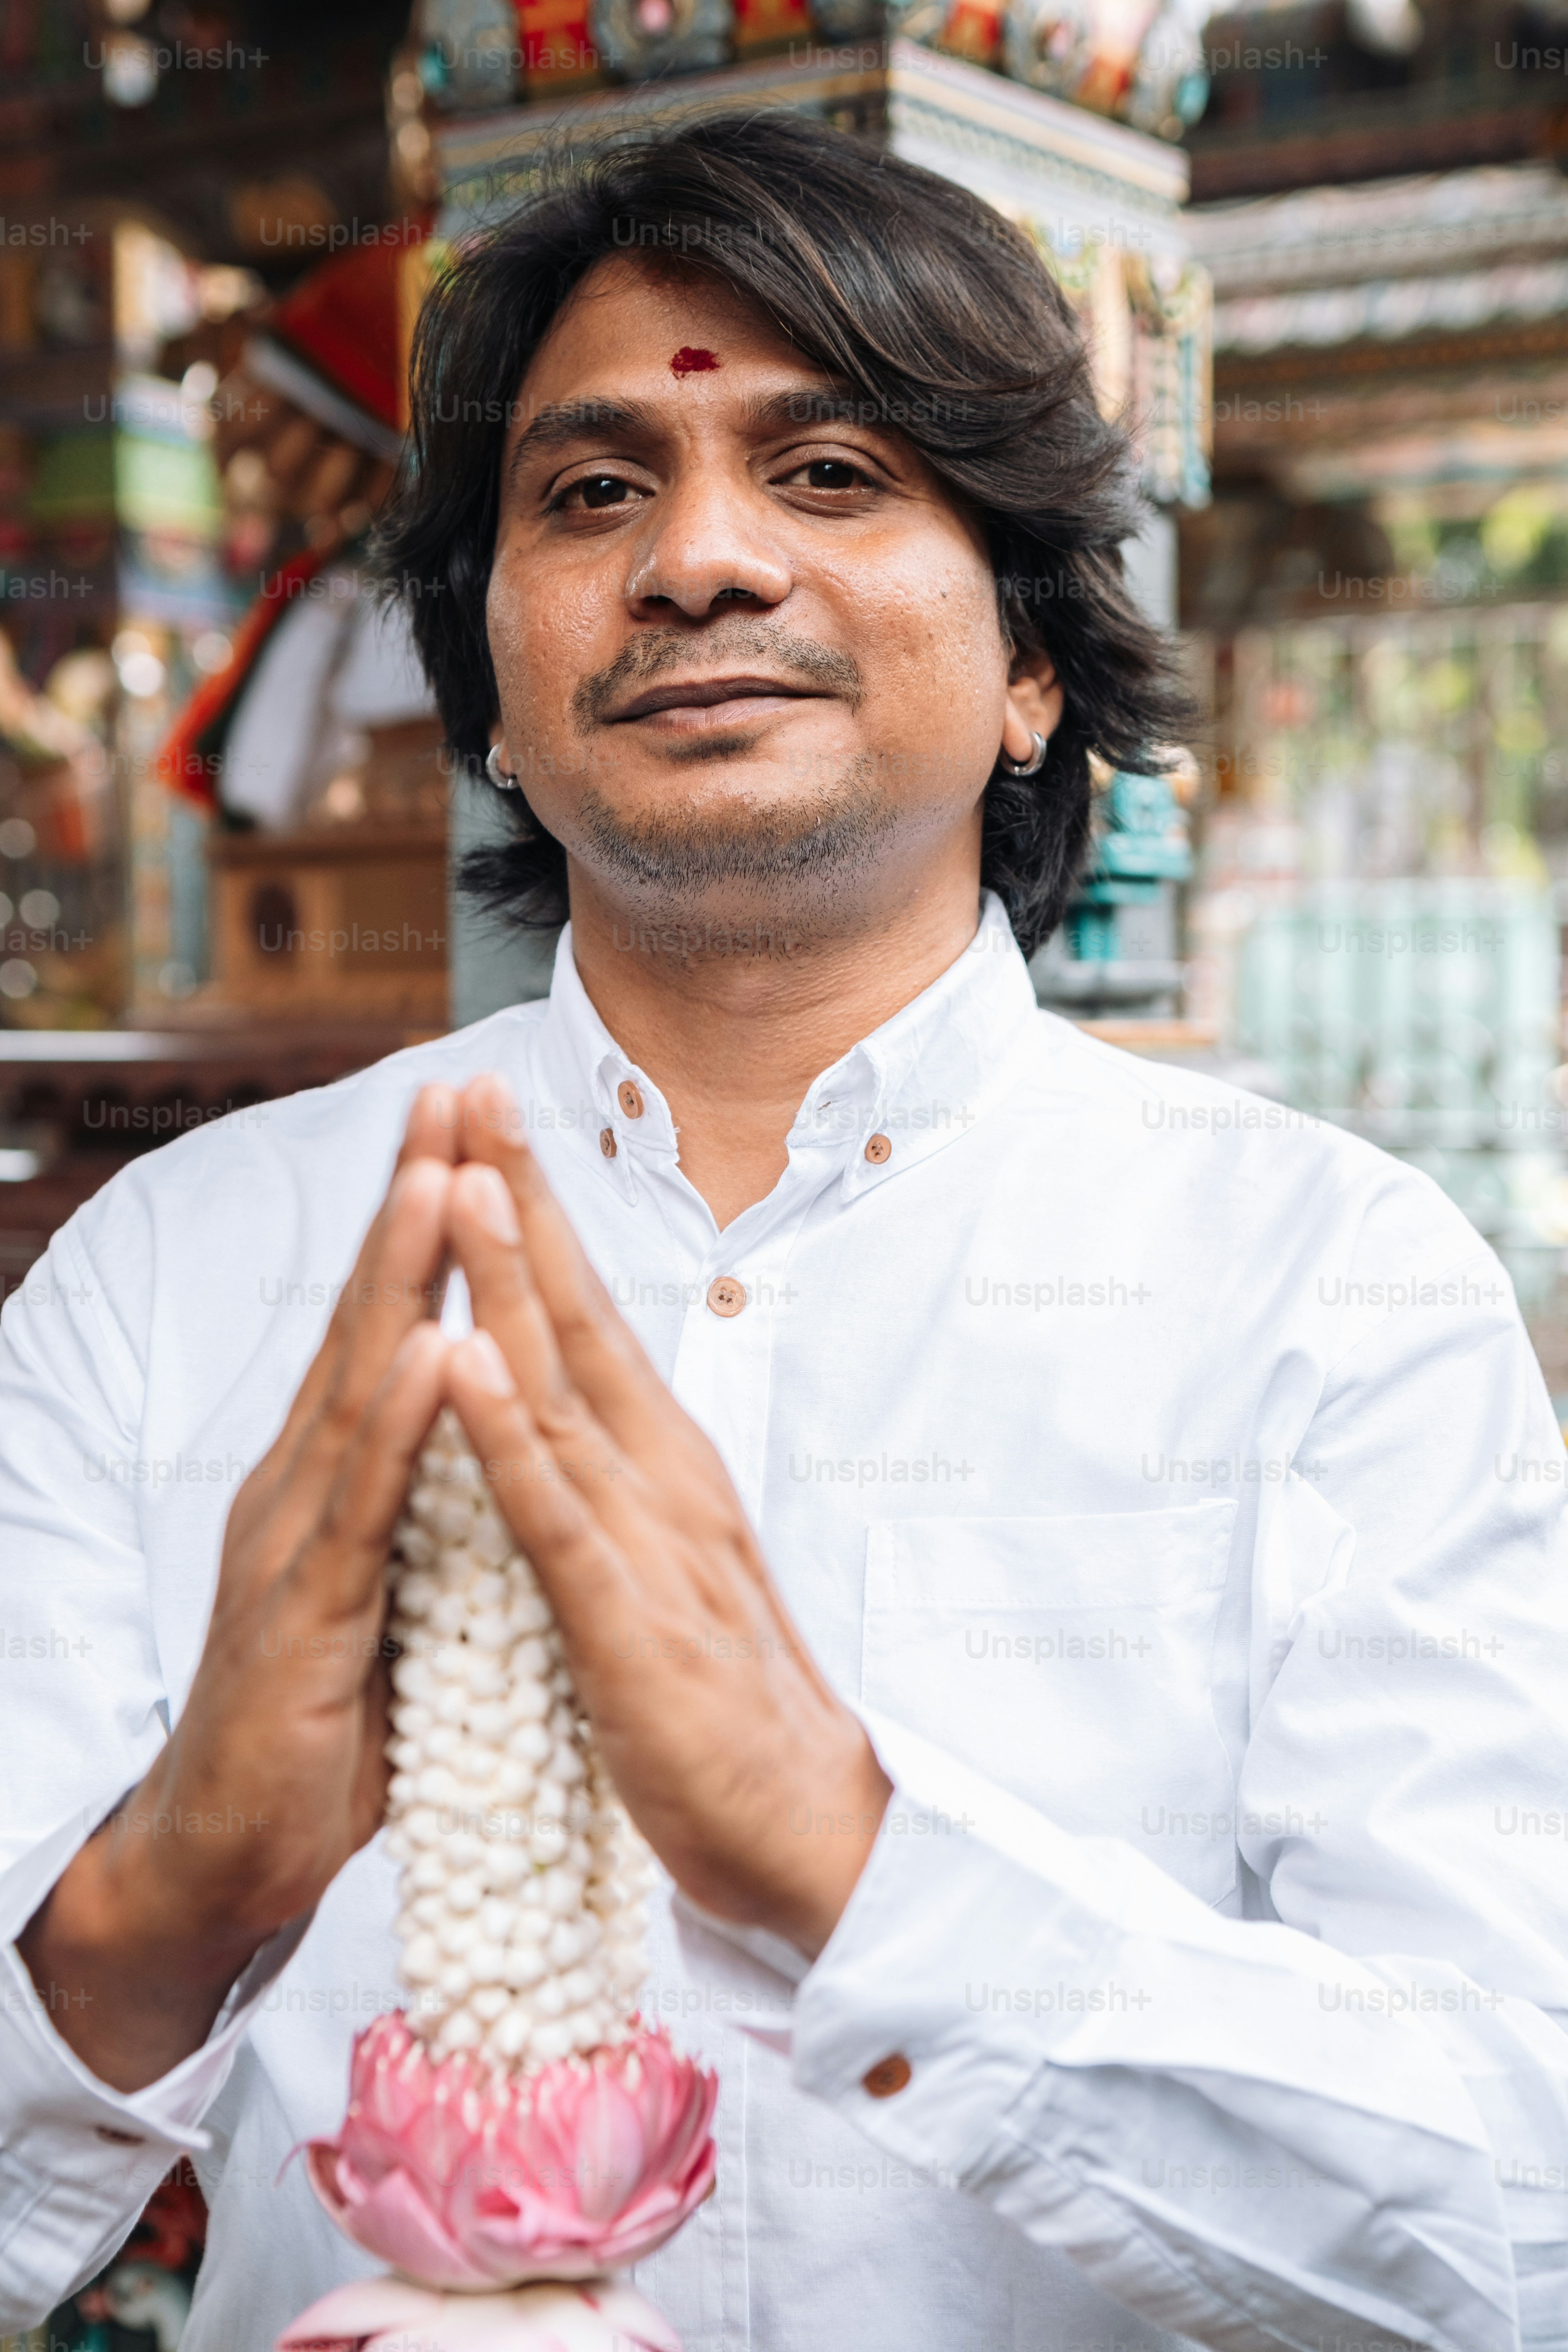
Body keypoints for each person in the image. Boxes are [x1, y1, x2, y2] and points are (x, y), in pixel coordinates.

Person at [2, 112, 1566, 2352]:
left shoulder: (1332, 1291)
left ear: (1031, 660)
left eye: (831, 474)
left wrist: (849, 1857)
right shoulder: (175, 1281)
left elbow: (1517, 2219)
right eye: (590, 489)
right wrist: (167, 1891)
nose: (699, 560)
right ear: (499, 701)